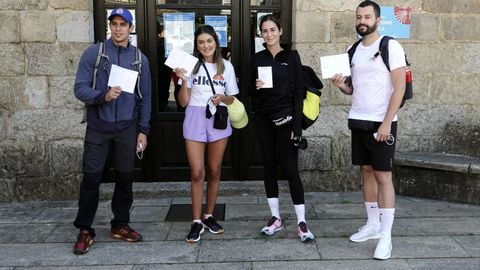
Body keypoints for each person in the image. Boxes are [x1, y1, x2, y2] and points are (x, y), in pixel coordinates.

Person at [72, 7, 152, 255]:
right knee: (92, 178)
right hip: (98, 127)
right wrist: (102, 96)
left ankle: (120, 224)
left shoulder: (140, 59)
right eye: (114, 24)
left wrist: (143, 130)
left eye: (122, 24)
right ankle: (85, 229)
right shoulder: (94, 54)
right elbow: (79, 88)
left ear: (131, 28)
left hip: (127, 128)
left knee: (125, 178)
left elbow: (145, 98)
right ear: (110, 26)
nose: (118, 29)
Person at [331, 0, 406, 260]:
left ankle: (386, 236)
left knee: (383, 176)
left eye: (367, 16)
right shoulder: (352, 49)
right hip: (358, 119)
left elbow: (400, 88)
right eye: (358, 16)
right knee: (366, 172)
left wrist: (387, 122)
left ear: (377, 19)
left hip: (382, 122)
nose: (362, 21)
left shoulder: (390, 46)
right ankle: (373, 225)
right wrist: (342, 85)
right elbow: (354, 88)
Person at [249, 14, 315, 242]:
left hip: (287, 121)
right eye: (265, 31)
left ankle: (302, 222)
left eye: (272, 30)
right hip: (264, 121)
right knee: (269, 167)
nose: (269, 34)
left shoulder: (292, 57)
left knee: (289, 169)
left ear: (280, 31)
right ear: (261, 34)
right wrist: (255, 87)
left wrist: (297, 125)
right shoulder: (257, 58)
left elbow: (299, 92)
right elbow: (249, 91)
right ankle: (275, 218)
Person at [173, 25, 239, 243]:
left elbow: (232, 98)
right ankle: (196, 221)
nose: (205, 46)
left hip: (218, 118)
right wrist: (182, 80)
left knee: (214, 170)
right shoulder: (190, 66)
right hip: (194, 117)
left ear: (216, 42)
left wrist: (223, 98)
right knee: (197, 172)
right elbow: (183, 102)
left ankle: (209, 215)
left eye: (209, 41)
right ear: (197, 45)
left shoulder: (226, 66)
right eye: (201, 42)